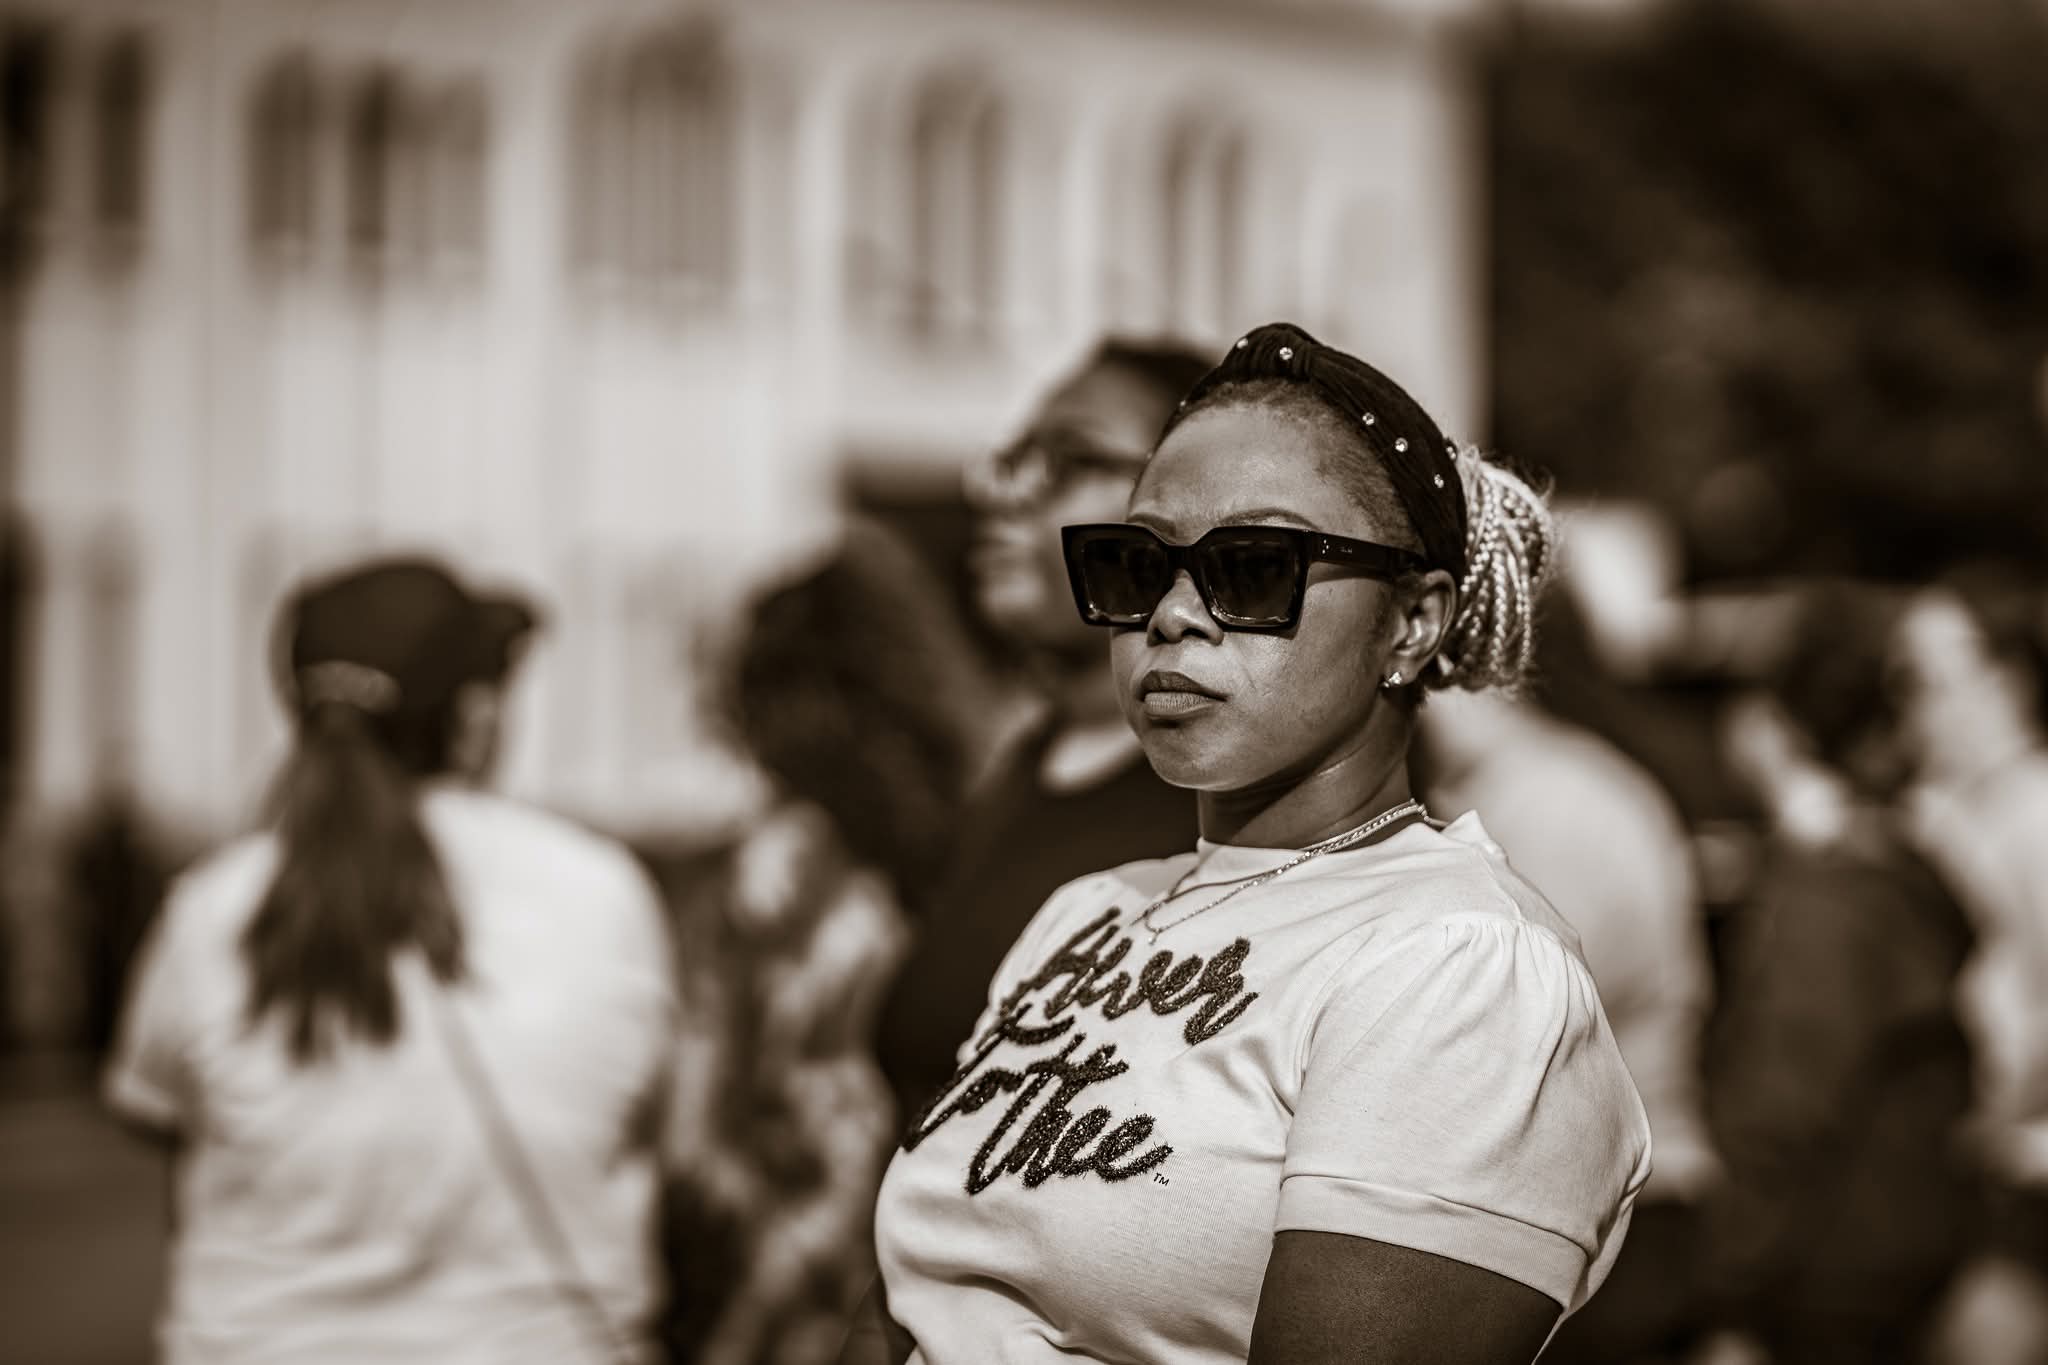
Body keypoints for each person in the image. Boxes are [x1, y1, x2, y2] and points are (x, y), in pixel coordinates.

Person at [843, 322, 1651, 1365]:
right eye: (1136, 566)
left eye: (1254, 568)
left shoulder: (1456, 966)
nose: (1173, 615)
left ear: (1412, 623)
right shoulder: (1090, 909)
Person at [103, 556, 679, 1365]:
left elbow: (157, 1120)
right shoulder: (603, 890)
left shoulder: (214, 909)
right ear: (474, 718)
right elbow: (658, 1130)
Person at [658, 519, 986, 1365]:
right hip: (910, 1267)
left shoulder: (780, 869)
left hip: (787, 1282)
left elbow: (705, 1118)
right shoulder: (954, 845)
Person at [875, 338, 1213, 1124]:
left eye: (1069, 459)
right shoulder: (1019, 766)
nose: (1003, 496)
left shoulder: (1224, 808)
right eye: (1012, 459)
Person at [1417, 613, 1721, 1364]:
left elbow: (1517, 1020)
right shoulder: (1549, 785)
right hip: (1600, 1205)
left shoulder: (1553, 801)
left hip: (1618, 1213)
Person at [1699, 581, 1976, 1365]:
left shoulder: (1825, 892)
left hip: (1821, 1274)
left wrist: (1727, 1293)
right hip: (1900, 1242)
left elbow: (1782, 1107)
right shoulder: (1895, 853)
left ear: (1772, 724)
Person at [1889, 564, 2048, 1365]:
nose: (1909, 705)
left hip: (2018, 1176)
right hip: (1953, 1168)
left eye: (1925, 677)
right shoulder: (1940, 807)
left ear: (2005, 678)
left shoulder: (2035, 810)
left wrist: (1996, 1112)